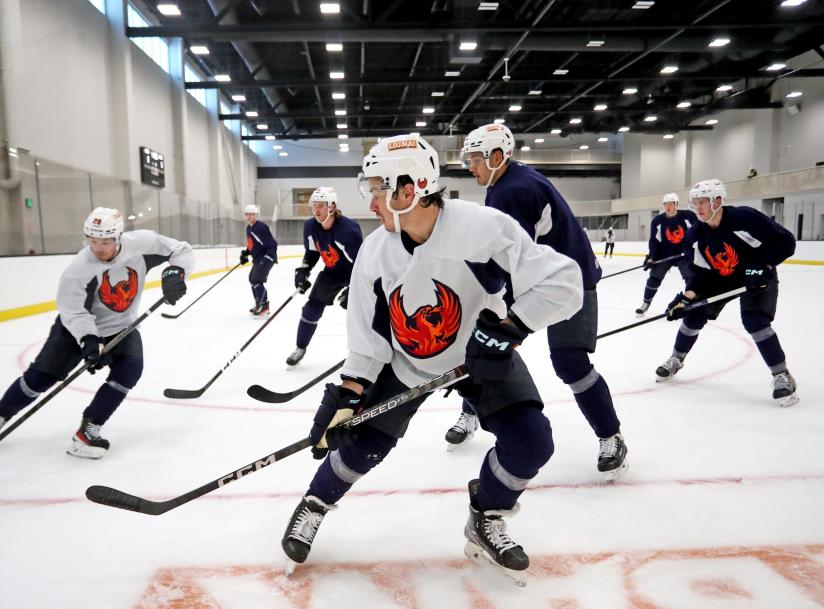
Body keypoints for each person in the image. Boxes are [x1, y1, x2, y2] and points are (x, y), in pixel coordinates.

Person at [280, 134, 583, 582]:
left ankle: (486, 515)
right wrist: (349, 390)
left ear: (410, 189)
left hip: (479, 357)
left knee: (532, 443)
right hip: (408, 362)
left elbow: (563, 281)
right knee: (359, 446)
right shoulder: (375, 251)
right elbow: (366, 338)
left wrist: (511, 329)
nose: (372, 203)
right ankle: (315, 503)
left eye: (378, 190)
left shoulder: (482, 227)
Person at [448, 123, 629, 480]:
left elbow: (509, 257)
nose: (470, 166)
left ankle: (611, 436)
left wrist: (482, 295)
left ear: (497, 156)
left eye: (474, 159)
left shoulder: (512, 190)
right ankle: (472, 410)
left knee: (568, 361)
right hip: (547, 277)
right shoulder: (507, 182)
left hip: (566, 284)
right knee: (488, 345)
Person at [0, 208, 194, 458]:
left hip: (121, 325)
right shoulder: (80, 268)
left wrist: (175, 273)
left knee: (130, 369)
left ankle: (89, 428)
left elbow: (181, 250)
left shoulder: (142, 244)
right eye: (93, 241)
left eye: (106, 242)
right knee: (42, 377)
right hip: (74, 330)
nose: (99, 248)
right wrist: (89, 340)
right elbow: (73, 310)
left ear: (119, 237)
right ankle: (1, 415)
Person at [655, 179, 799, 407]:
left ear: (718, 201)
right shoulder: (695, 234)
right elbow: (699, 273)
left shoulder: (744, 218)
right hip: (721, 278)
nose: (698, 208)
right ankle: (676, 358)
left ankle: (782, 375)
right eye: (695, 203)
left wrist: (764, 265)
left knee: (755, 320)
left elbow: (785, 241)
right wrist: (686, 298)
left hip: (756, 275)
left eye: (703, 202)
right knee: (693, 314)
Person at [286, 187, 364, 366]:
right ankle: (300, 347)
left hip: (355, 274)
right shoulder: (310, 226)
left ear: (332, 206)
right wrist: (304, 270)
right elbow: (313, 252)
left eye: (321, 205)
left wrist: (355, 288)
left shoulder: (348, 230)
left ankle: (365, 352)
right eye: (314, 206)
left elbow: (362, 263)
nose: (316, 210)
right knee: (311, 308)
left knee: (358, 312)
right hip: (331, 274)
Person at [635, 193, 697, 315]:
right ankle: (646, 303)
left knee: (691, 278)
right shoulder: (658, 221)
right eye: (665, 205)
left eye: (671, 204)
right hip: (665, 255)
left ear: (676, 204)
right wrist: (652, 256)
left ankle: (690, 303)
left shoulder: (688, 216)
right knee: (654, 277)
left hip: (684, 255)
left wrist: (692, 250)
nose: (668, 207)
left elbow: (697, 234)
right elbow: (654, 241)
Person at [240, 204, 278, 317]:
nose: (249, 216)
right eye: (247, 214)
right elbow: (253, 244)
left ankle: (265, 307)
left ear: (256, 215)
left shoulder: (260, 227)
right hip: (258, 258)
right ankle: (259, 304)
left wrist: (268, 257)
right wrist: (246, 253)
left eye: (251, 214)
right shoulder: (249, 228)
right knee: (252, 279)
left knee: (257, 279)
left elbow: (272, 244)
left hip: (267, 257)